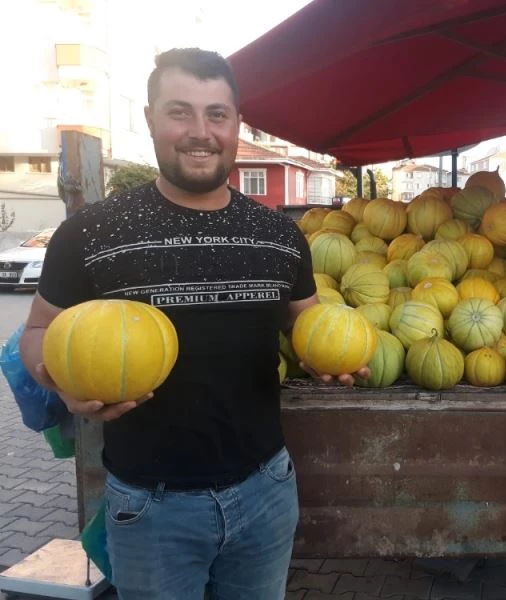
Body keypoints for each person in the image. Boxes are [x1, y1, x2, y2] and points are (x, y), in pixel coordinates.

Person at [20, 48, 367, 600]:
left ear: (236, 124)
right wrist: (58, 378)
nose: (200, 132)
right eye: (180, 112)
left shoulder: (280, 235)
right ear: (151, 119)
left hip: (265, 490)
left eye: (217, 114)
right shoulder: (92, 232)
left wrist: (329, 356)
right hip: (151, 506)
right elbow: (36, 333)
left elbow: (307, 322)